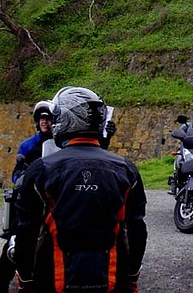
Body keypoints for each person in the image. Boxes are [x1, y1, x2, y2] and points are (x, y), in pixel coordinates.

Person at [14, 86, 147, 293]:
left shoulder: (41, 169)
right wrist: (131, 277)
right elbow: (136, 230)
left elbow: (27, 232)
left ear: (64, 119)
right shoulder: (126, 169)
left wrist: (25, 278)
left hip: (52, 279)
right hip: (112, 279)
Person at [0, 100, 54, 293]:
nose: (44, 122)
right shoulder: (28, 145)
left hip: (54, 193)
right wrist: (23, 177)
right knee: (17, 234)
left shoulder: (61, 144)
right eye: (42, 118)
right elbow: (15, 173)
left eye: (48, 118)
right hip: (32, 193)